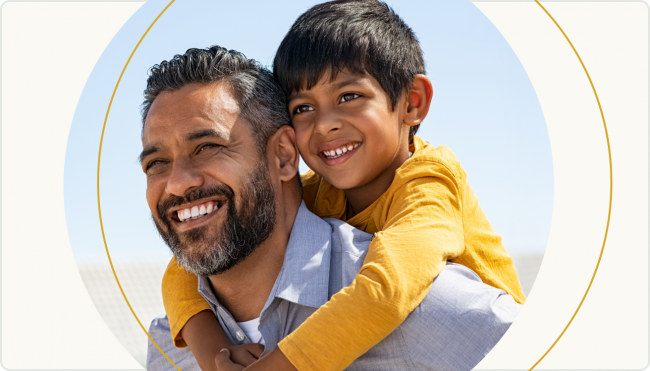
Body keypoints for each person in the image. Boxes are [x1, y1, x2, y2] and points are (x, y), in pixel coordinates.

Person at [162, 1, 527, 370]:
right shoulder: (320, 190)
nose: (324, 125)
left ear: (411, 103)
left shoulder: (429, 185)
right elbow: (184, 268)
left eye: (348, 97)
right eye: (303, 107)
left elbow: (387, 290)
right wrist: (211, 352)